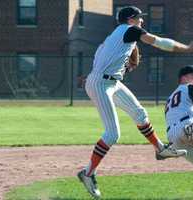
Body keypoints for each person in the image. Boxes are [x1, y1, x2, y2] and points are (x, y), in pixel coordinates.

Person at [77, 5, 193, 199]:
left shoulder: (115, 37)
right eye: (139, 18)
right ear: (131, 19)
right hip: (100, 83)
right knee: (113, 134)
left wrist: (125, 66)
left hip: (109, 81)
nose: (142, 21)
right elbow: (159, 42)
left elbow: (106, 61)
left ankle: (160, 149)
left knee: (140, 114)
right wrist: (187, 48)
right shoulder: (129, 30)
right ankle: (87, 173)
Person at [165, 65, 193, 164]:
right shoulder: (189, 87)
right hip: (186, 128)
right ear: (184, 78)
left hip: (173, 140)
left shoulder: (170, 97)